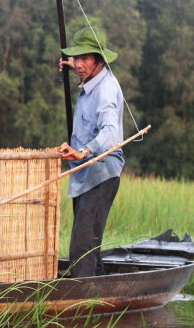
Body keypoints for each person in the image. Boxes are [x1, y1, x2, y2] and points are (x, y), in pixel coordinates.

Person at [57, 28, 124, 278]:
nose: (79, 64)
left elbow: (110, 132)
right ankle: (101, 296)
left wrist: (83, 152)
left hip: (100, 173)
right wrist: (71, 64)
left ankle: (83, 307)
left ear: (99, 61)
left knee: (81, 248)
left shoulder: (105, 90)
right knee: (90, 247)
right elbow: (78, 66)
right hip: (85, 175)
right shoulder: (88, 81)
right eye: (77, 58)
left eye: (86, 59)